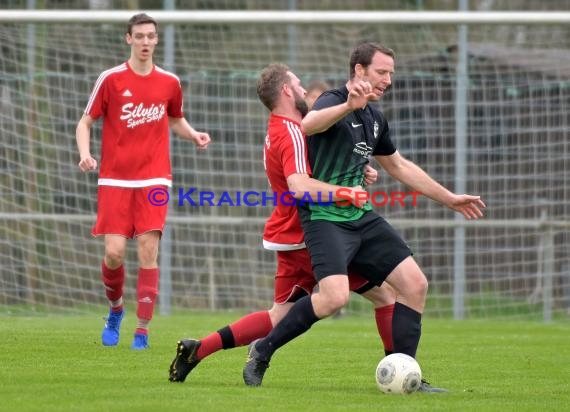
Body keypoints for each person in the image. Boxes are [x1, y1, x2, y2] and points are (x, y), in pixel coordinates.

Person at [243, 42, 485, 388]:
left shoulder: (374, 117)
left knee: (414, 284)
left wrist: (448, 198)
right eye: (381, 72)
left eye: (390, 73)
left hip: (361, 216)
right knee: (333, 297)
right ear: (359, 71)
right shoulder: (332, 99)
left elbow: (398, 165)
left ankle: (408, 374)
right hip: (325, 218)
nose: (387, 80)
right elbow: (307, 125)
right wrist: (346, 104)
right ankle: (263, 351)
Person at [168, 63, 397, 382]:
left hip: (291, 232)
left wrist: (359, 170)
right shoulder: (291, 133)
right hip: (312, 230)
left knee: (280, 315)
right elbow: (301, 186)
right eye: (299, 84)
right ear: (287, 91)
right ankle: (397, 369)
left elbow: (315, 166)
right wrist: (346, 191)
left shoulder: (285, 126)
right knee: (384, 295)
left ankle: (198, 349)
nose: (304, 90)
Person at [75, 13, 210, 350]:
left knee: (148, 250)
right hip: (115, 181)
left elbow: (175, 119)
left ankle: (142, 330)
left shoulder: (169, 82)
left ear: (157, 39)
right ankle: (116, 310)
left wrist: (193, 135)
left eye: (151, 36)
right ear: (128, 39)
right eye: (140, 36)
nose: (146, 42)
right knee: (115, 253)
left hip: (155, 179)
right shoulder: (111, 79)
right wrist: (85, 154)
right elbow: (85, 122)